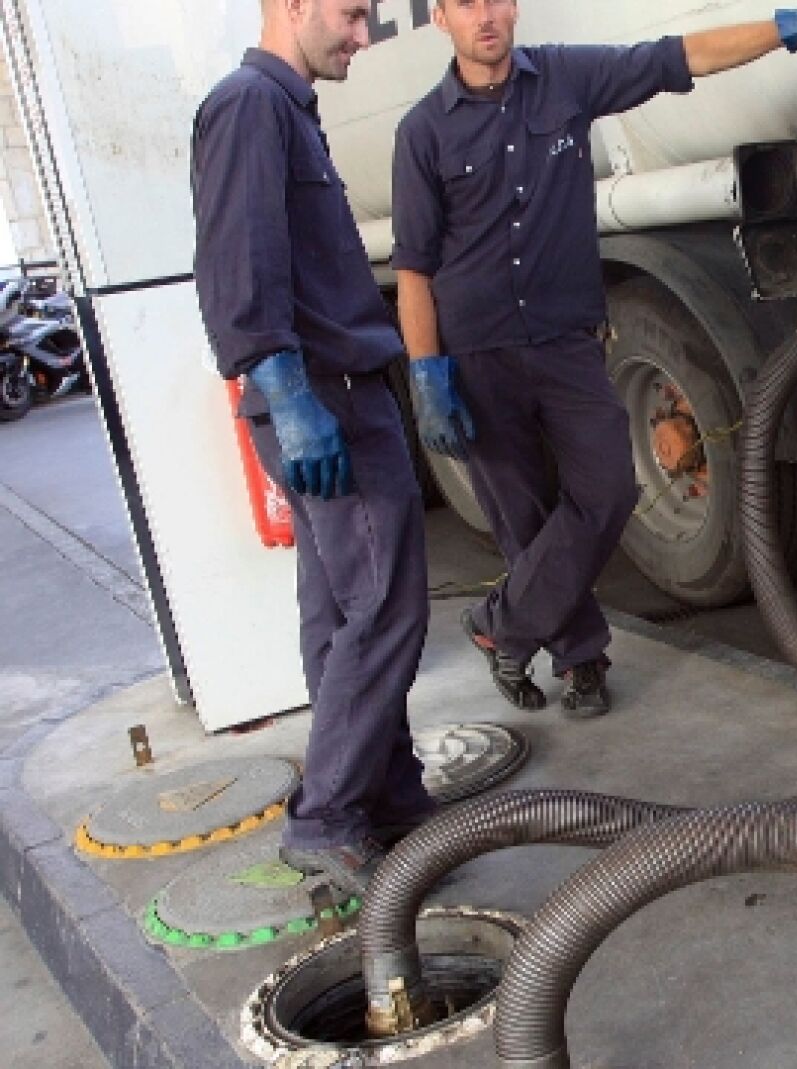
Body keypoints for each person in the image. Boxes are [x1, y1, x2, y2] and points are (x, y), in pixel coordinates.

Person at [390, 1, 797, 719]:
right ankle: (581, 660)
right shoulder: (421, 133)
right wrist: (426, 371)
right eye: (465, 2)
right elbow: (413, 270)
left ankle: (499, 625)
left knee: (608, 492)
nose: (486, 16)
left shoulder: (567, 77)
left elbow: (677, 57)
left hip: (568, 342)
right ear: (440, 16)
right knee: (523, 519)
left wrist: (783, 30)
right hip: (478, 354)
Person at [191, 0, 434, 896]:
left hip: (330, 391)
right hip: (322, 395)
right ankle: (328, 815)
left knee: (339, 613)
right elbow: (236, 264)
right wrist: (290, 394)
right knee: (386, 607)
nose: (363, 38)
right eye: (352, 14)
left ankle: (385, 794)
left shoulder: (287, 109)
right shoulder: (248, 104)